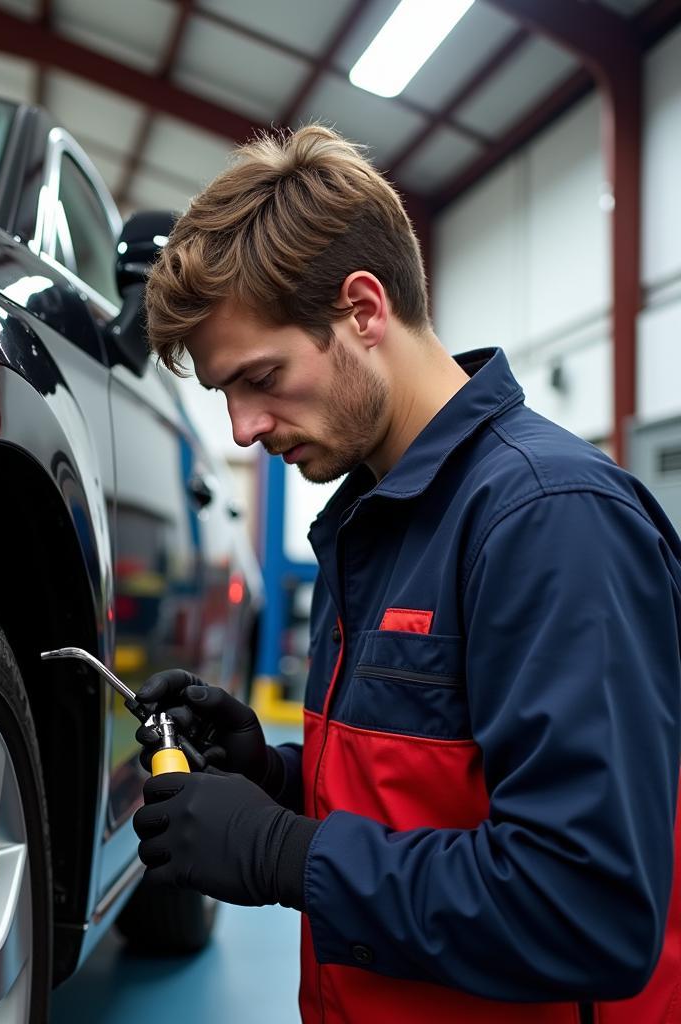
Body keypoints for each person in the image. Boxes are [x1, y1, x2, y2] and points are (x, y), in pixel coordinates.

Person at [131, 125, 681, 1023]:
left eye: (261, 377)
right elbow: (443, 789)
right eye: (226, 394)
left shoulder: (547, 520)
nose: (241, 430)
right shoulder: (375, 518)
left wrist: (284, 854)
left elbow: (589, 908)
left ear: (362, 309)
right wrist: (276, 777)